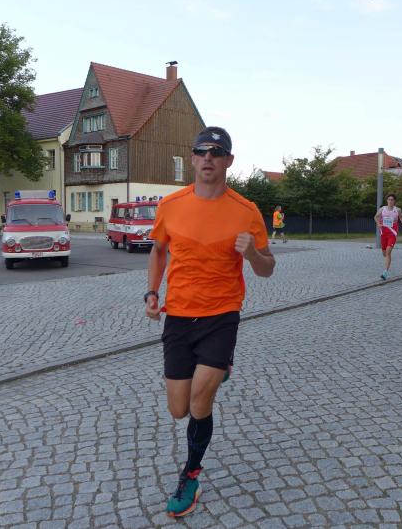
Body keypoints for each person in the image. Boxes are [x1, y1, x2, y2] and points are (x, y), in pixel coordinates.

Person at [145, 126, 275, 518]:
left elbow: (267, 268)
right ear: (193, 158)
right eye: (201, 151)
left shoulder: (246, 211)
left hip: (221, 315)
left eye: (216, 152)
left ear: (228, 161)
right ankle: (217, 369)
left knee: (201, 401)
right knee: (178, 409)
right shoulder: (171, 205)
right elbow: (158, 251)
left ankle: (190, 474)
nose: (208, 158)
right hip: (178, 316)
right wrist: (151, 293)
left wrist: (252, 253)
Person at [373, 194, 402, 280]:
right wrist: (378, 223)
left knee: (388, 252)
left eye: (392, 200)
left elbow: (401, 217)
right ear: (387, 201)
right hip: (384, 233)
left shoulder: (397, 210)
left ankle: (385, 272)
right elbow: (376, 217)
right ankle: (387, 262)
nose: (390, 201)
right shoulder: (382, 209)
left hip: (393, 233)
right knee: (384, 253)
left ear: (394, 201)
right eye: (389, 199)